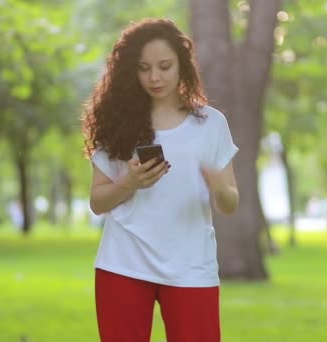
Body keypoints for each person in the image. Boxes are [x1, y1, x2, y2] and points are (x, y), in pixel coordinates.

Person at [81, 18, 239, 342]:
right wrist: (129, 183)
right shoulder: (117, 124)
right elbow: (97, 202)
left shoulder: (210, 124)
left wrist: (219, 188)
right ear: (131, 72)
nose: (155, 77)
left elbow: (229, 202)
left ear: (182, 64)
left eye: (165, 66)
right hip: (123, 264)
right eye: (144, 68)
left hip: (192, 267)